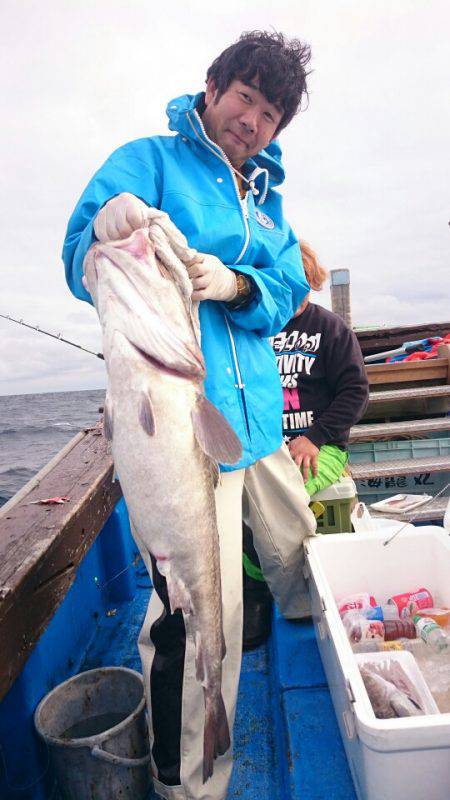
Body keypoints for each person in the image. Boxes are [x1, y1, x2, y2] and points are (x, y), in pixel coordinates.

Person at [62, 31, 316, 800]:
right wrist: (104, 231)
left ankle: (312, 657)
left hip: (258, 423)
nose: (253, 121)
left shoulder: (266, 201)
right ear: (211, 87)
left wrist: (238, 285)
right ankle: (192, 782)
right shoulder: (151, 161)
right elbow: (82, 253)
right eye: (245, 98)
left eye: (270, 113)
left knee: (298, 547)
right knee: (200, 609)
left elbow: (286, 291)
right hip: (181, 423)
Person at [243, 240, 370, 649]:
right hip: (264, 447)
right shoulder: (257, 330)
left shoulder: (332, 330)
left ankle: (296, 591)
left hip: (322, 447)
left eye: (299, 282)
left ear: (310, 283)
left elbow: (355, 392)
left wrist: (314, 438)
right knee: (239, 503)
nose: (291, 291)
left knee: (278, 502)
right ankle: (257, 588)